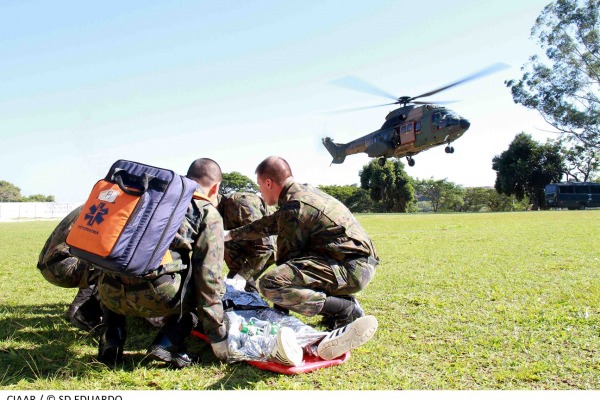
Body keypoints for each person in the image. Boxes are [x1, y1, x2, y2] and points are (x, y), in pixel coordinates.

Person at [96, 158, 229, 368]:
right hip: (159, 297)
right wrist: (217, 334)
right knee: (199, 284)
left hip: (110, 294)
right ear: (216, 187)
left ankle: (111, 339)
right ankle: (167, 343)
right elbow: (208, 278)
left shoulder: (146, 197)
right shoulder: (205, 210)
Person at [225, 156, 379, 330]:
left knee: (270, 283)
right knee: (292, 272)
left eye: (259, 185)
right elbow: (269, 223)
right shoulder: (303, 194)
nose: (260, 191)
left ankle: (345, 310)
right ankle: (341, 303)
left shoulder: (295, 207)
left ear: (268, 183)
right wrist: (230, 235)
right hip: (353, 263)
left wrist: (281, 316)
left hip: (350, 269)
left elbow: (286, 262)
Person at [37, 205, 103, 333]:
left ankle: (80, 308)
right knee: (112, 266)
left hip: (51, 263)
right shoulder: (108, 208)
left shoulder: (95, 203)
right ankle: (83, 312)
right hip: (62, 266)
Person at [217, 192, 276, 293]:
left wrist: (241, 277)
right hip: (251, 250)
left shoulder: (240, 203)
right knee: (236, 285)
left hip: (279, 246)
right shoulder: (215, 212)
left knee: (239, 281)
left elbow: (265, 248)